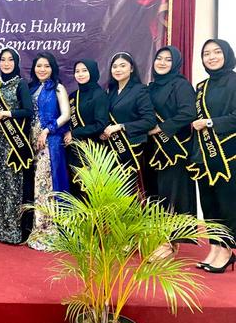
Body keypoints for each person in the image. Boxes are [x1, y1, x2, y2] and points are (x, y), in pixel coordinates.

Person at [188, 39, 236, 273]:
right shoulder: (201, 86)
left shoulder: (234, 81)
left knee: (227, 204)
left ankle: (227, 251)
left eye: (217, 52)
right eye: (206, 53)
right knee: (209, 204)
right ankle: (215, 247)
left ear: (227, 54)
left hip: (228, 154)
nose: (212, 57)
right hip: (203, 156)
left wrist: (210, 123)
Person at [146, 46, 197, 260]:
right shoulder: (150, 87)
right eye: (159, 58)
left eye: (168, 59)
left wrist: (161, 127)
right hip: (152, 150)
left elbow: (189, 113)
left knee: (172, 194)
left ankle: (169, 242)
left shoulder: (181, 85)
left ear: (175, 63)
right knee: (155, 194)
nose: (162, 62)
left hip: (174, 149)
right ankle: (157, 238)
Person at [0, 48, 33, 244]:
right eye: (3, 60)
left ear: (16, 62)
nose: (6, 63)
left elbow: (27, 111)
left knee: (12, 184)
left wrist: (5, 114)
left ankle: (12, 231)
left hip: (14, 144)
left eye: (10, 60)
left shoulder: (21, 84)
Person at [26, 52, 70, 251]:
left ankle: (50, 231)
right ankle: (37, 228)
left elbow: (66, 115)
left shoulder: (58, 88)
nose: (42, 69)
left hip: (49, 142)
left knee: (47, 184)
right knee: (36, 185)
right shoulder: (31, 88)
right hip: (31, 143)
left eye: (46, 66)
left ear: (52, 68)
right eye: (39, 66)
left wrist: (47, 130)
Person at [101, 52, 156, 191]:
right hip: (112, 148)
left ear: (131, 68)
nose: (118, 70)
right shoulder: (110, 91)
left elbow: (149, 121)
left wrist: (121, 126)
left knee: (130, 191)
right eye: (114, 66)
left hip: (132, 148)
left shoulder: (140, 90)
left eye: (122, 66)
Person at [64, 59, 109, 196]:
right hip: (74, 149)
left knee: (89, 190)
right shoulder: (73, 96)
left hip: (91, 149)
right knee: (75, 189)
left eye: (84, 70)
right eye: (77, 71)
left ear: (93, 72)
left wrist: (74, 133)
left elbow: (100, 125)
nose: (80, 74)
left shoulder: (99, 95)